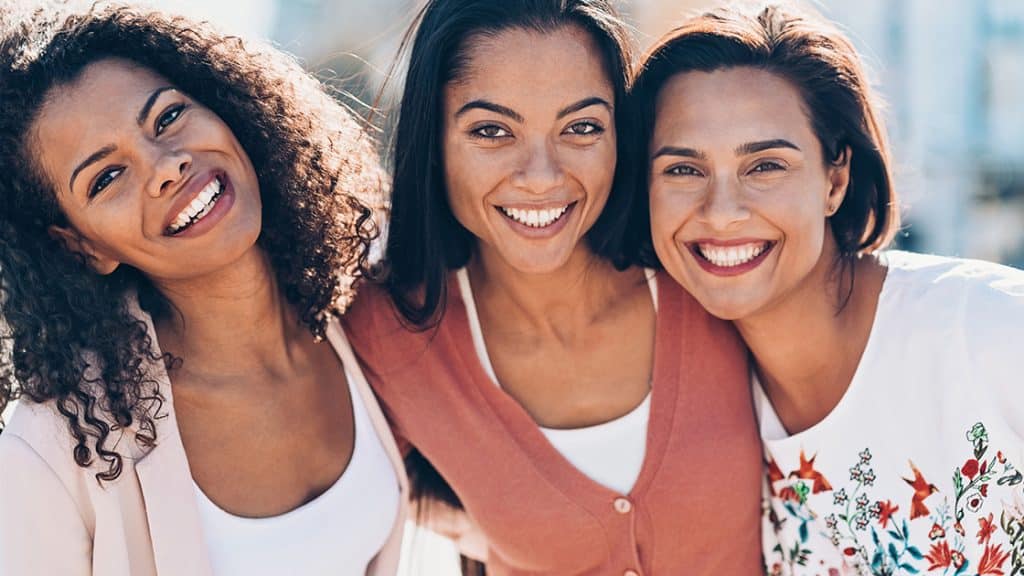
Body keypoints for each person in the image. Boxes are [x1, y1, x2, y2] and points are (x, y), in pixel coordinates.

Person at [343, 0, 764, 573]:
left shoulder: (710, 275)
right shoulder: (383, 329)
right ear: (433, 139)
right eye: (491, 131)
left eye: (582, 127)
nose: (541, 176)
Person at [0, 5, 406, 575]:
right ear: (79, 246)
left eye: (167, 118)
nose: (167, 166)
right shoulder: (51, 453)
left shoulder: (365, 298)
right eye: (107, 178)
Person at [635, 4, 1024, 575]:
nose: (720, 213)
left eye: (765, 166)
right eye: (683, 170)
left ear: (834, 179)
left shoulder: (992, 333)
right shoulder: (684, 396)